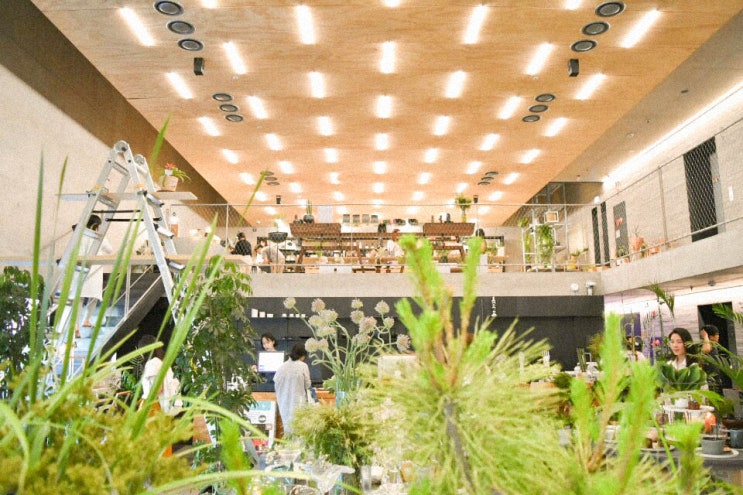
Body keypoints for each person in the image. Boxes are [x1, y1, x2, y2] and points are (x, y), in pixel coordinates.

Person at [77, 214, 113, 334]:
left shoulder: (80, 235)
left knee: (80, 298)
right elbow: (110, 250)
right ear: (97, 225)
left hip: (80, 269)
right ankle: (86, 320)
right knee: (94, 296)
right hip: (95, 270)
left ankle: (76, 326)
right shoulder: (99, 236)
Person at [273, 342, 310, 437]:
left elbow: (275, 382)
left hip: (283, 403)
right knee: (300, 432)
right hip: (298, 403)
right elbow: (308, 385)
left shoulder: (281, 367)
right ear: (303, 355)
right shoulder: (303, 366)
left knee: (288, 430)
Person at [700, 324, 729, 392]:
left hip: (716, 378)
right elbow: (706, 349)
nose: (718, 336)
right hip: (710, 379)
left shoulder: (714, 345)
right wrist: (705, 336)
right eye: (717, 334)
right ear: (711, 337)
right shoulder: (707, 345)